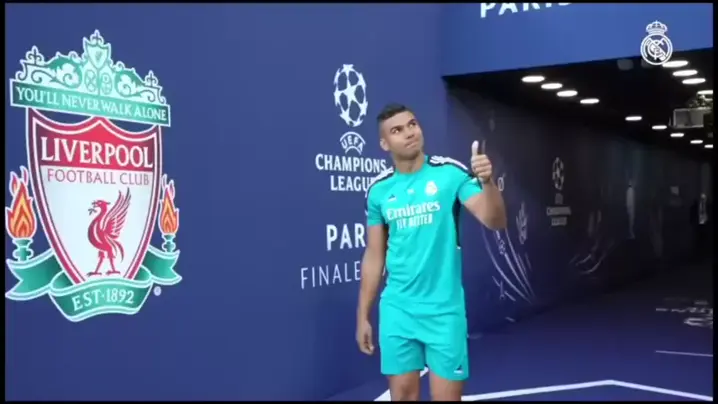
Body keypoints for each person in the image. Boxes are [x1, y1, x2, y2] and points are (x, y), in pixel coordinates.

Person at [355, 104, 507, 401]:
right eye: (397, 130)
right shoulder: (378, 191)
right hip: (398, 310)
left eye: (412, 124)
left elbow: (495, 220)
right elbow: (374, 256)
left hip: (444, 311)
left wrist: (488, 183)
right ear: (384, 144)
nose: (409, 133)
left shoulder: (450, 174)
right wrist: (363, 316)